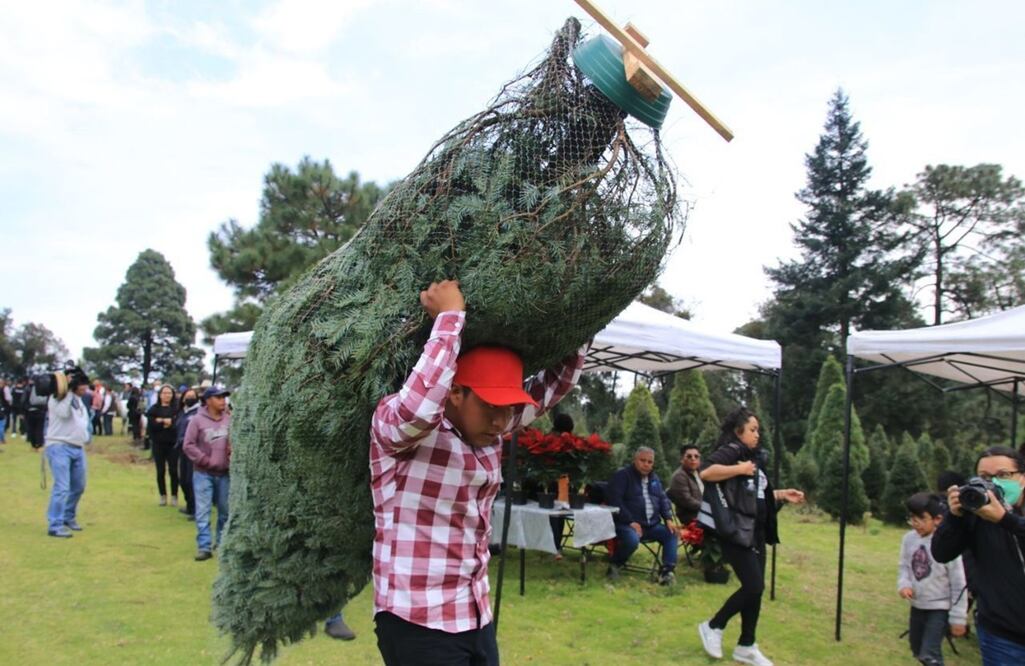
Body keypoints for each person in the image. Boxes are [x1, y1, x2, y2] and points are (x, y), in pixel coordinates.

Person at [370, 280, 584, 666]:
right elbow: (418, 408)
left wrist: (587, 319)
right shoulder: (399, 430)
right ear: (454, 392)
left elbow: (555, 385)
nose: (501, 420)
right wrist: (450, 318)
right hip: (417, 620)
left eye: (507, 409)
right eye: (490, 406)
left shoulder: (490, 427)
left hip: (474, 613)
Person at [697, 407, 805, 666]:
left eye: (758, 430)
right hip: (737, 533)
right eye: (753, 430)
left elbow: (753, 494)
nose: (758, 435)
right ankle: (713, 626)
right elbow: (706, 472)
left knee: (756, 590)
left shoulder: (750, 456)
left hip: (755, 532)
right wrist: (740, 469)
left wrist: (780, 494)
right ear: (738, 431)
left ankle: (747, 645)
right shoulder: (733, 451)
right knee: (753, 586)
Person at [932, 445, 1025, 664]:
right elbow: (941, 553)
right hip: (1002, 636)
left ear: (1022, 477)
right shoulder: (975, 514)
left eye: (1003, 475)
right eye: (984, 476)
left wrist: (1005, 519)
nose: (994, 482)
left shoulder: (1004, 517)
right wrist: (954, 517)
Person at [898, 492, 968, 666]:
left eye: (921, 518)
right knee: (917, 649)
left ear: (937, 519)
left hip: (939, 608)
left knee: (930, 654)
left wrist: (958, 618)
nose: (916, 524)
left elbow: (959, 582)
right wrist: (904, 584)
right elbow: (905, 567)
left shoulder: (946, 543)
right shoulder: (908, 539)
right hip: (917, 605)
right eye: (912, 518)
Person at [605, 446, 679, 584]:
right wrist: (630, 521)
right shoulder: (622, 476)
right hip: (627, 524)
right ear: (635, 460)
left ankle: (667, 572)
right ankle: (615, 564)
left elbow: (663, 500)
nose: (646, 464)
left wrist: (668, 519)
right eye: (643, 460)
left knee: (671, 533)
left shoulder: (655, 478)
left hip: (651, 525)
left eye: (650, 462)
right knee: (632, 539)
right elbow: (615, 500)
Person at [183, 386, 232, 561]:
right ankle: (204, 546)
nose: (223, 401)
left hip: (225, 474)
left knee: (224, 511)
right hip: (203, 474)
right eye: (219, 398)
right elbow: (188, 445)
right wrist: (205, 460)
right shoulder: (197, 420)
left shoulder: (229, 420)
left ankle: (221, 543)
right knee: (203, 511)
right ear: (208, 400)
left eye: (224, 398)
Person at [44, 368, 92, 537]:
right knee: (62, 487)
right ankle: (55, 524)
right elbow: (63, 414)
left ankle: (68, 516)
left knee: (78, 486)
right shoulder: (56, 399)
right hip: (59, 446)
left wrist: (85, 437)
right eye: (82, 387)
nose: (85, 389)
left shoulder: (79, 401)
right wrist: (69, 392)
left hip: (77, 447)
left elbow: (83, 422)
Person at [147, 384, 180, 506]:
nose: (167, 395)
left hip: (173, 444)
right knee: (160, 471)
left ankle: (174, 495)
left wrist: (162, 421)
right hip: (158, 444)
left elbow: (176, 424)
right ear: (160, 395)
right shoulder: (154, 409)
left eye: (169, 393)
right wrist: (164, 422)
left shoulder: (177, 409)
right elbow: (152, 426)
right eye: (164, 393)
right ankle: (163, 495)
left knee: (173, 470)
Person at [175, 387, 201, 520]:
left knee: (191, 480)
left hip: (193, 449)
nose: (189, 398)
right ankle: (190, 506)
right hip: (182, 449)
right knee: (183, 480)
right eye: (187, 396)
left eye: (192, 396)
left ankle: (197, 510)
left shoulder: (198, 412)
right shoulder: (182, 412)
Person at [668, 444, 705, 525]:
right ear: (681, 459)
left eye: (696, 456)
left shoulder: (702, 473)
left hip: (705, 513)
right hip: (691, 518)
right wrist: (709, 508)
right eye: (689, 456)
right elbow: (688, 502)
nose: (693, 459)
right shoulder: (679, 476)